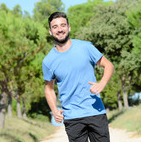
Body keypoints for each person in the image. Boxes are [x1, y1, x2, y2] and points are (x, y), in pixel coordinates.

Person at [43, 11, 114, 142]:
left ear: (69, 27)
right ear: (50, 31)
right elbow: (49, 89)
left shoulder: (86, 47)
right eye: (55, 27)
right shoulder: (48, 61)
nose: (60, 29)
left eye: (63, 25)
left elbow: (108, 65)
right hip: (72, 117)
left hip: (95, 112)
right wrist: (54, 110)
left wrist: (102, 83)